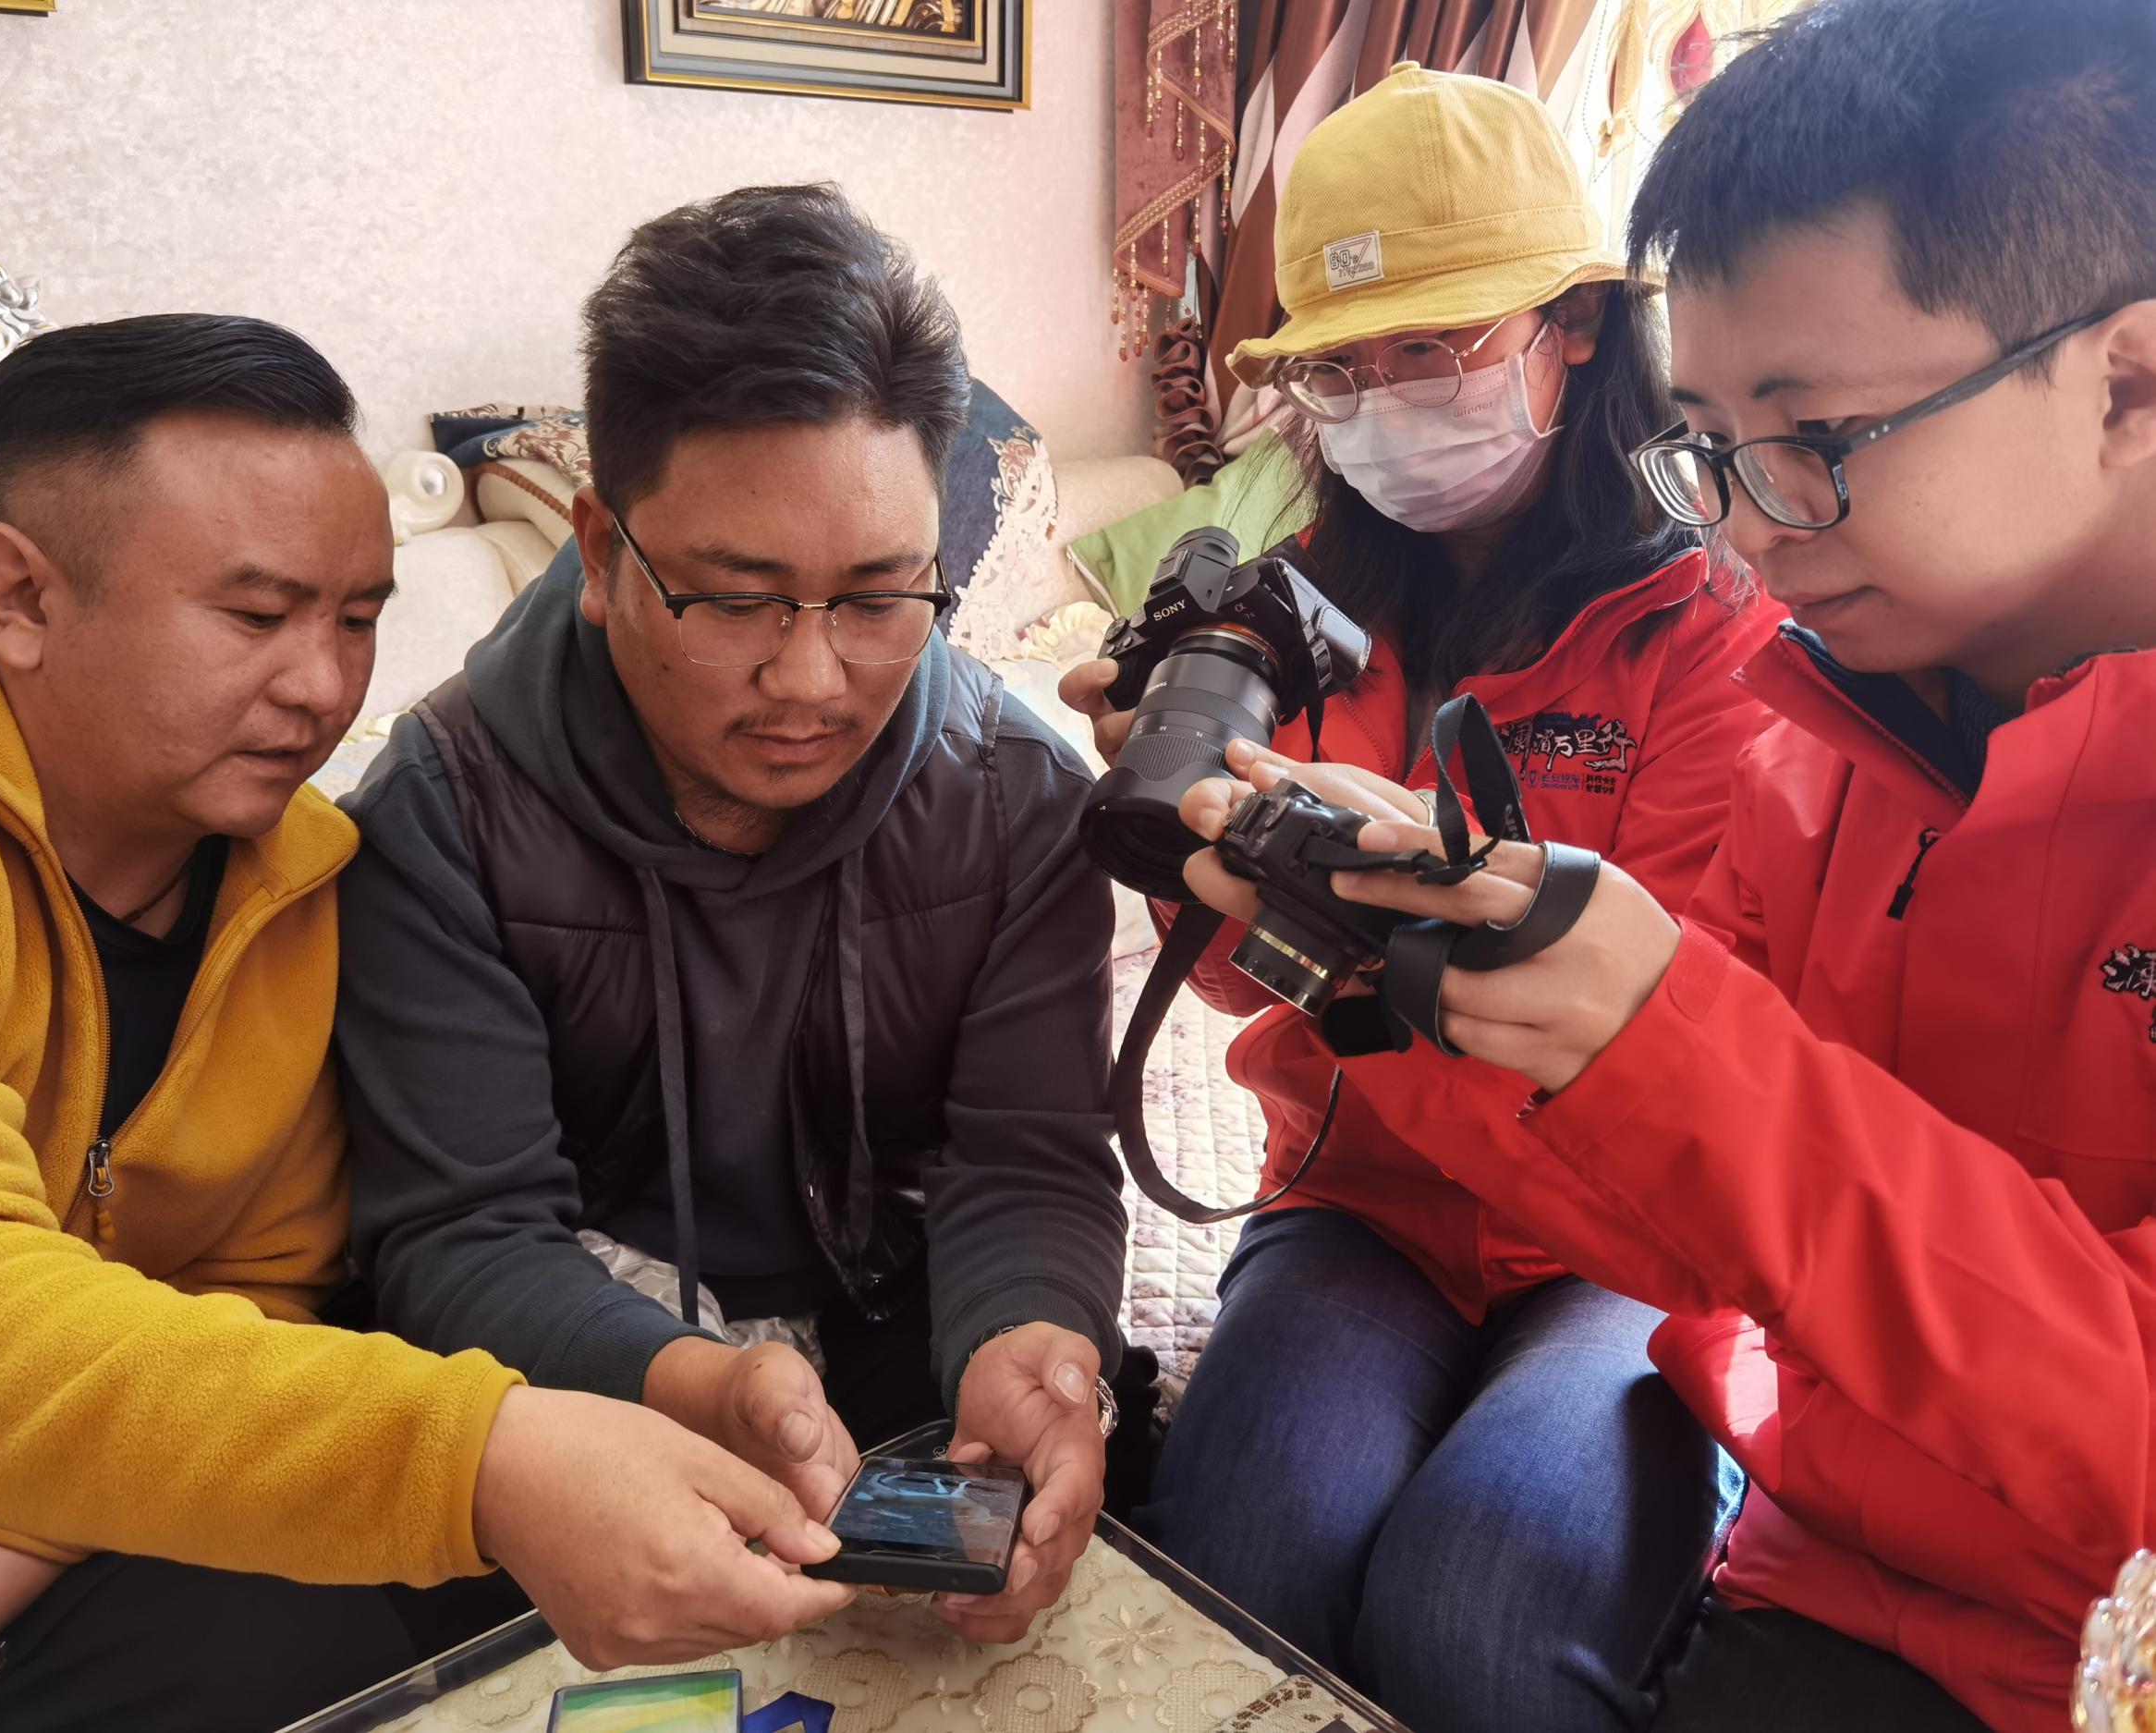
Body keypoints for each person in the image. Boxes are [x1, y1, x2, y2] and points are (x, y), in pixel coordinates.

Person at [1166, 2, 2156, 1729]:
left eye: (1816, 439)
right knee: (1237, 1560)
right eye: (1714, 445)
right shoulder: (1827, 740)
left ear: (2128, 381)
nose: (1757, 529)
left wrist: (1665, 1040)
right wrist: (1323, 937)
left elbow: (1711, 1154)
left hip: (2080, 1637)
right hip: (1820, 1562)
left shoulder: (1741, 670)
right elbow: (1684, 1186)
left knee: (1488, 1605)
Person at [0, 315, 858, 1733]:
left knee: (384, 1623)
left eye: (359, 619)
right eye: (256, 617)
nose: (323, 688)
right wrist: (481, 1459)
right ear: (19, 595)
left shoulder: (301, 882)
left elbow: (247, 1292)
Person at [1062, 63, 1772, 1733]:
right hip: (1359, 1200)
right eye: (1341, 367)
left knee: (1485, 1606)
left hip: (1623, 1242)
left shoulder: (1716, 632)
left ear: (1575, 328)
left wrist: (1356, 928)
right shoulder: (1291, 616)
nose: (1383, 404)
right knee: (1242, 1570)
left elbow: (1663, 1035)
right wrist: (1178, 822)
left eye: (1435, 348)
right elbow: (1229, 985)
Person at [334, 183, 1129, 1649]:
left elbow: (1028, 1159)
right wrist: (697, 1380)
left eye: (880, 597)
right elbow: (461, 1233)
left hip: (907, 1323)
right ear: (598, 551)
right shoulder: (442, 812)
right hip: (582, 1368)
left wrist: (1030, 1334)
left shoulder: (1018, 797)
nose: (812, 681)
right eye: (737, 600)